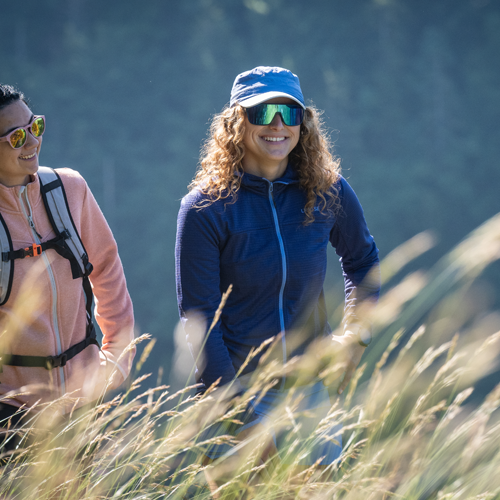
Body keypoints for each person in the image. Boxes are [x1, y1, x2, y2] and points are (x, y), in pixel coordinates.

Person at [175, 67, 380, 478]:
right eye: (263, 113)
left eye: (290, 113)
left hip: (310, 390)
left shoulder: (328, 190)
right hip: (234, 391)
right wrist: (239, 417)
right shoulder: (204, 208)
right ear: (237, 122)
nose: (278, 125)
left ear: (304, 123)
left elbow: (362, 262)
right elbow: (199, 319)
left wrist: (356, 337)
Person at [0, 84, 135, 454]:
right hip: (12, 417)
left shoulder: (69, 190)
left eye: (35, 127)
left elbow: (106, 267)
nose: (32, 142)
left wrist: (117, 358)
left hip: (83, 405)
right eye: (16, 137)